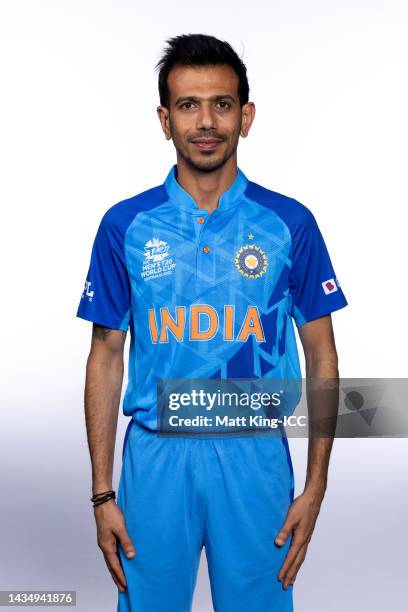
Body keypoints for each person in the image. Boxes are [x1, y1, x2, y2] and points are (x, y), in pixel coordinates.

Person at [76, 33, 348, 612]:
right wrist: (103, 493)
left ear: (245, 117)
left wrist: (316, 486)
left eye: (221, 104)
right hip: (155, 461)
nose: (205, 121)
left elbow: (322, 355)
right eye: (187, 105)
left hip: (255, 457)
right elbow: (105, 354)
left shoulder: (289, 224)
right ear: (164, 119)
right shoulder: (126, 226)